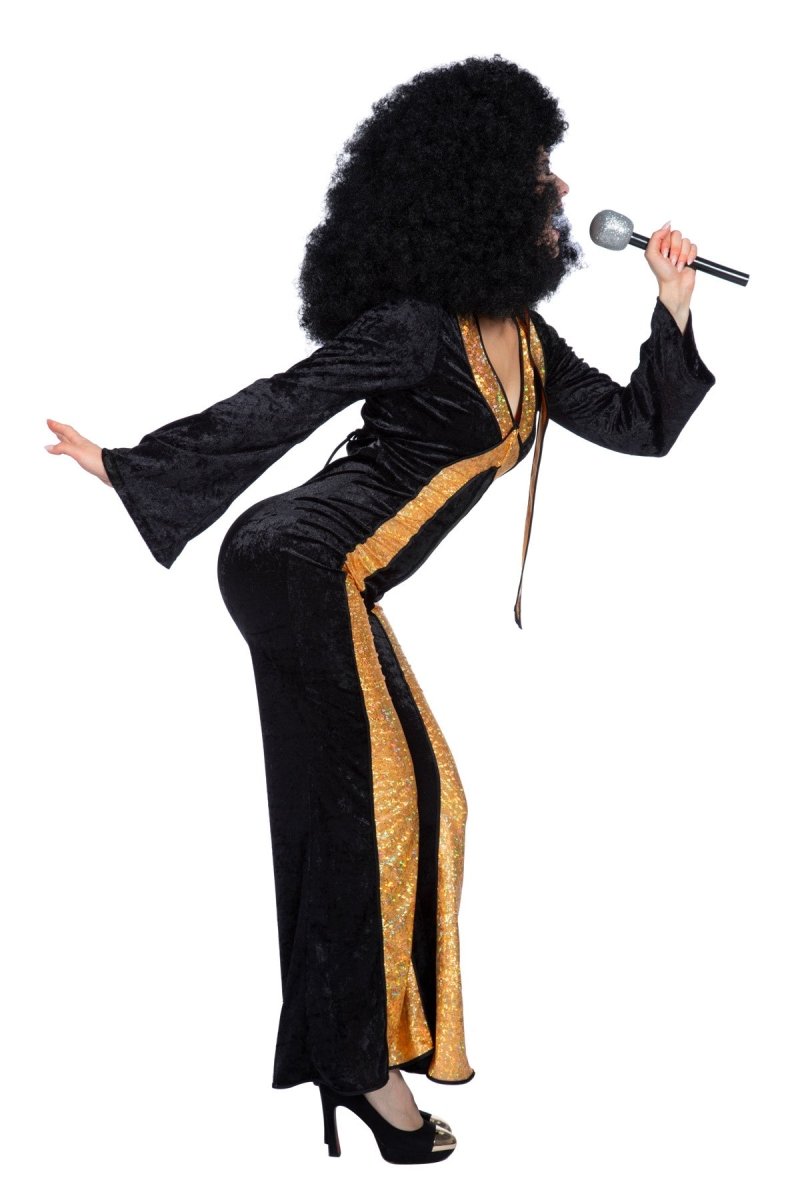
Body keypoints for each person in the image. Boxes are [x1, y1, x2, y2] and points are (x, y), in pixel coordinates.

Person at [43, 55, 716, 1165]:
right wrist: (133, 466)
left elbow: (641, 426)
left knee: (419, 798)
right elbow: (287, 400)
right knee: (389, 800)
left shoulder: (529, 345)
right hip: (295, 561)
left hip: (332, 582)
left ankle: (355, 1050)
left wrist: (672, 309)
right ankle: (362, 1070)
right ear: (475, 197)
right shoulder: (415, 327)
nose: (558, 189)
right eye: (536, 173)